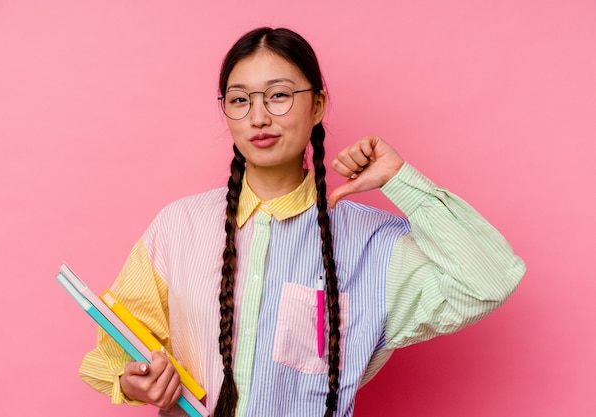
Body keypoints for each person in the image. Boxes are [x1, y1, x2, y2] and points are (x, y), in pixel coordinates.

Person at [79, 27, 526, 417]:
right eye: (239, 100)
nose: (258, 117)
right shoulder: (178, 227)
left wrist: (399, 180)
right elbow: (113, 348)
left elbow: (488, 280)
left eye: (278, 95)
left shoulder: (373, 244)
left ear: (317, 105)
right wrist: (130, 379)